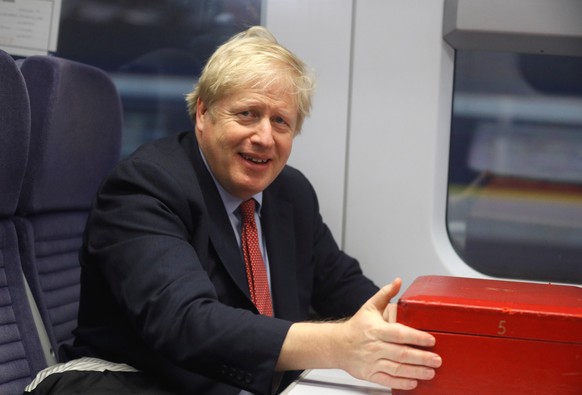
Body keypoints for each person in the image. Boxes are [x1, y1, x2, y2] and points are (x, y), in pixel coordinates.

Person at [57, 26, 441, 394]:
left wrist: (410, 330)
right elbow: (186, 322)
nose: (264, 138)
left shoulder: (292, 193)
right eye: (247, 114)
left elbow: (340, 284)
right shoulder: (145, 187)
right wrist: (338, 345)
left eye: (281, 122)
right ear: (203, 114)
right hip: (141, 382)